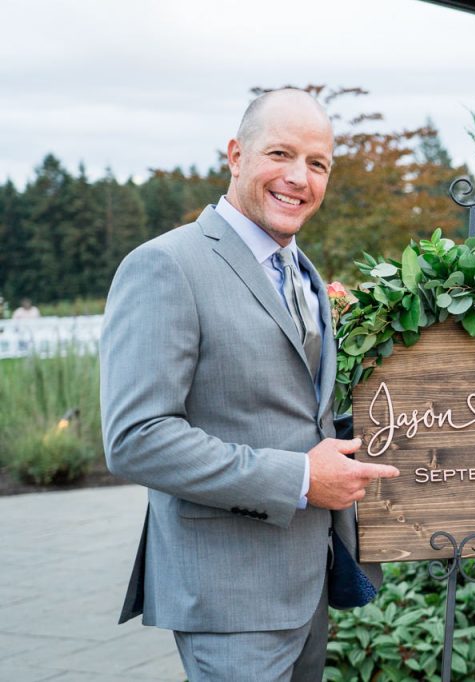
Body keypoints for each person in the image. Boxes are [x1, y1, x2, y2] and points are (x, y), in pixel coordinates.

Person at [101, 88, 400, 681]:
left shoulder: (305, 273)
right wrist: (301, 478)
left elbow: (293, 409)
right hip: (227, 591)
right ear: (236, 155)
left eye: (317, 164)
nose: (299, 178)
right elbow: (137, 437)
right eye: (280, 154)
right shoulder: (166, 265)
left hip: (309, 580)